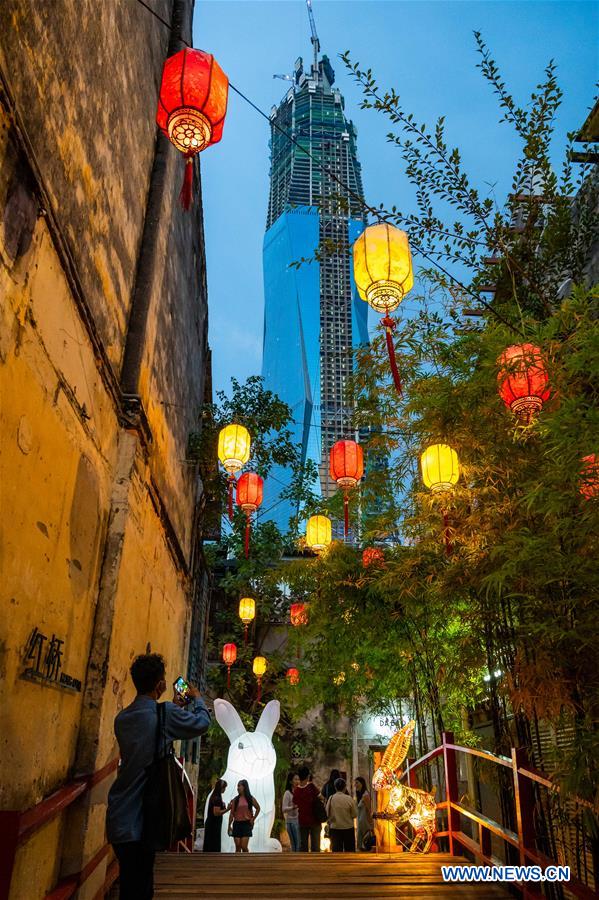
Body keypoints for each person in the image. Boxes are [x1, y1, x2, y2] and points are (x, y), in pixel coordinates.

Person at [106, 653, 211, 900]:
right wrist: (196, 699)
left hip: (120, 813)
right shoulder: (165, 715)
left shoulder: (121, 719)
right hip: (147, 816)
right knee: (142, 887)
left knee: (131, 884)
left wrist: (171, 707)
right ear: (161, 685)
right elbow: (201, 723)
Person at [293, 766, 321, 852]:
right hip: (315, 820)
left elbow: (295, 803)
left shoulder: (296, 790)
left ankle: (304, 864)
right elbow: (321, 797)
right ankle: (315, 864)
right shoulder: (311, 787)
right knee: (315, 847)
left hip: (302, 821)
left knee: (303, 846)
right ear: (308, 776)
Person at [227, 779, 260, 853]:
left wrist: (253, 819)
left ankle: (247, 863)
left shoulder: (250, 798)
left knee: (244, 846)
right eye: (237, 786)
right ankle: (238, 864)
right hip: (237, 824)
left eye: (239, 786)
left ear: (244, 787)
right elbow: (232, 813)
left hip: (246, 824)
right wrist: (229, 826)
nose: (238, 788)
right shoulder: (235, 799)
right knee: (238, 846)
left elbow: (258, 808)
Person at [326, 778, 357, 852]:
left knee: (336, 852)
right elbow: (354, 814)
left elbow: (327, 813)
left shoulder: (331, 798)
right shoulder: (349, 799)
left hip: (335, 828)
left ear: (335, 787)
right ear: (345, 787)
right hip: (348, 828)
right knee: (349, 852)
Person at [203, 779, 228, 852]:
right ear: (221, 788)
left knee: (211, 844)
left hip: (213, 824)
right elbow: (216, 813)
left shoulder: (215, 796)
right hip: (213, 825)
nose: (225, 790)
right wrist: (228, 809)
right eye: (224, 788)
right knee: (213, 845)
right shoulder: (217, 798)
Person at [355, 776, 374, 852]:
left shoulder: (366, 795)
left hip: (365, 822)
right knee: (361, 842)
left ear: (362, 783)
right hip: (361, 821)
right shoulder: (362, 795)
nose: (355, 785)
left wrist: (370, 822)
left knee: (364, 842)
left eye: (357, 783)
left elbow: (369, 809)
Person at [282, 773, 300, 851]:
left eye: (298, 779)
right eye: (295, 779)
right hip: (290, 822)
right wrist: (293, 807)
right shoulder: (287, 793)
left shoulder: (299, 792)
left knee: (298, 844)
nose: (297, 781)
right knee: (295, 844)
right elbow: (284, 809)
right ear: (290, 781)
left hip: (298, 821)